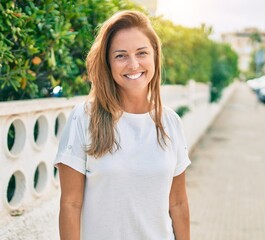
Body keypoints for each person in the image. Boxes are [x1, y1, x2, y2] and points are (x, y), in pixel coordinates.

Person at [55, 10, 191, 240]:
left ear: (155, 56)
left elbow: (177, 202)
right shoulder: (84, 118)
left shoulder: (170, 122)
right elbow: (70, 204)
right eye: (120, 55)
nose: (133, 64)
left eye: (142, 53)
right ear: (107, 63)